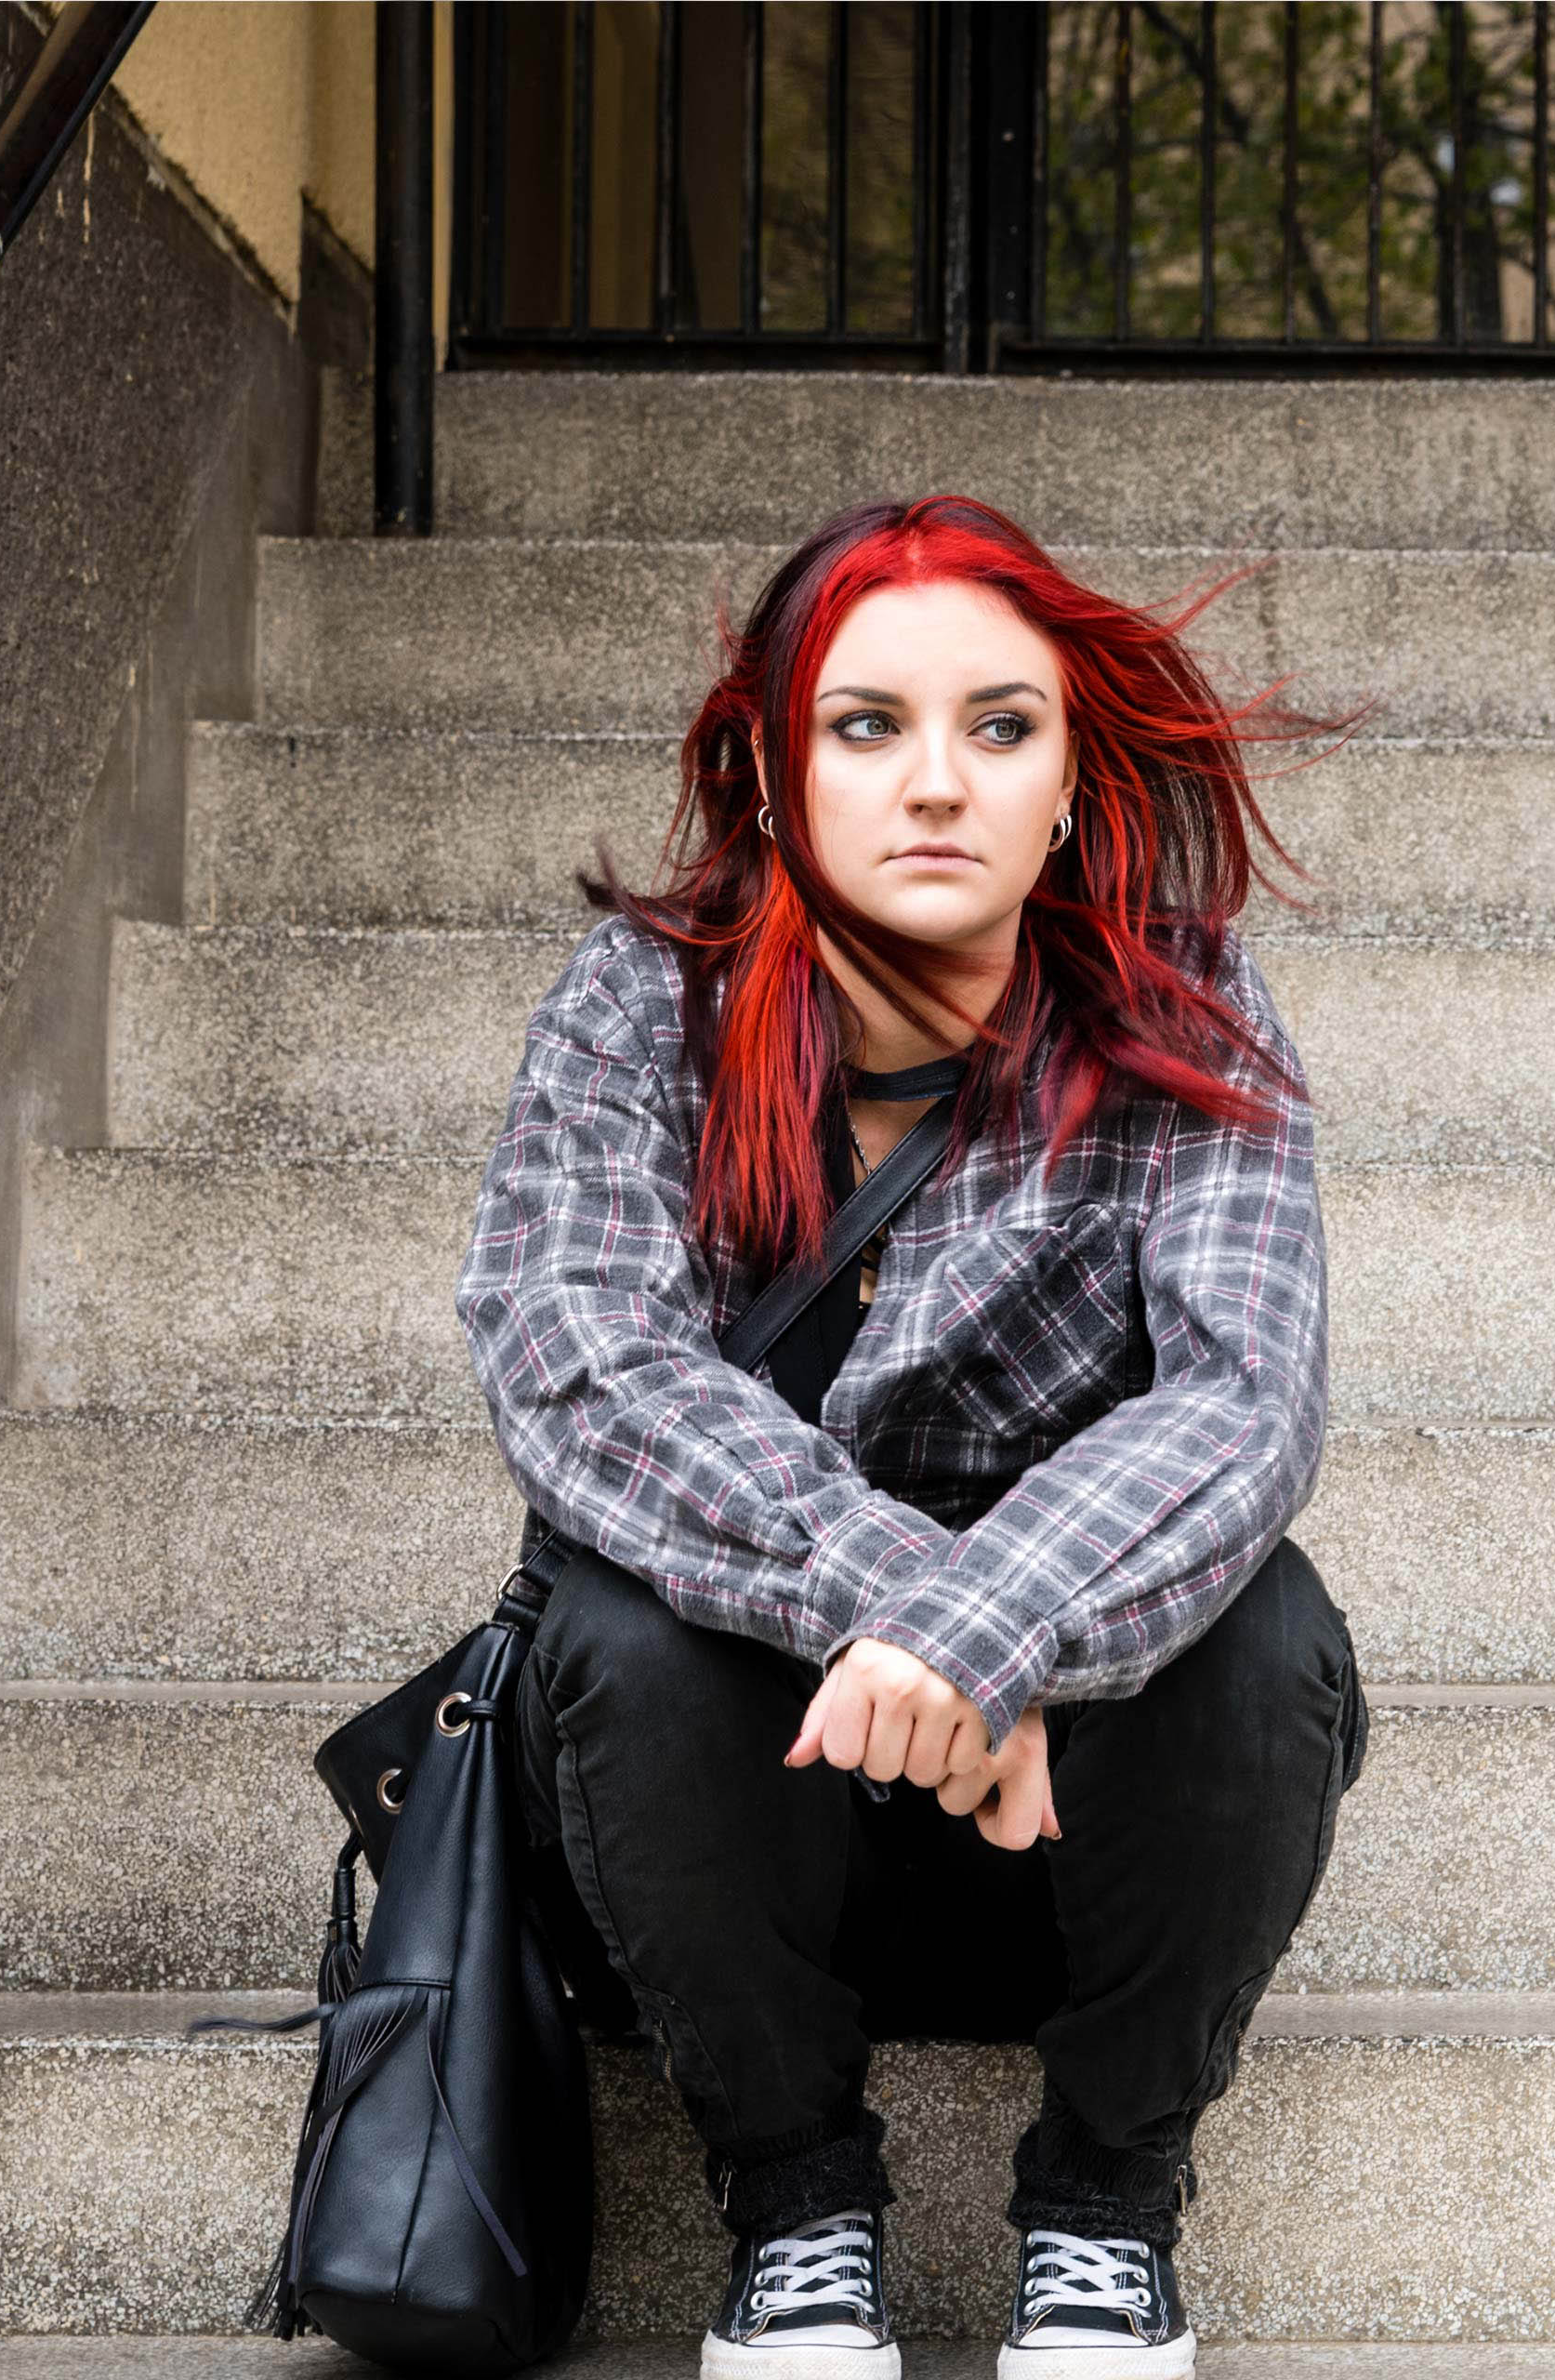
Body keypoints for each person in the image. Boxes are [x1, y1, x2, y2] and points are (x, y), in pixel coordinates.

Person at [458, 495, 1362, 2380]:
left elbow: (1242, 1395)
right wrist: (916, 1608)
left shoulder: (1183, 1013)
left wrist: (987, 1634)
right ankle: (795, 2211)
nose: (935, 781)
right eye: (867, 725)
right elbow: (576, 1356)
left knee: (1268, 1632)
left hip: (1048, 1830)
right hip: (717, 1824)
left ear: (1066, 788)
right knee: (620, 1625)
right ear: (779, 781)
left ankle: (1109, 2212)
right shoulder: (647, 1008)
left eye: (998, 728)